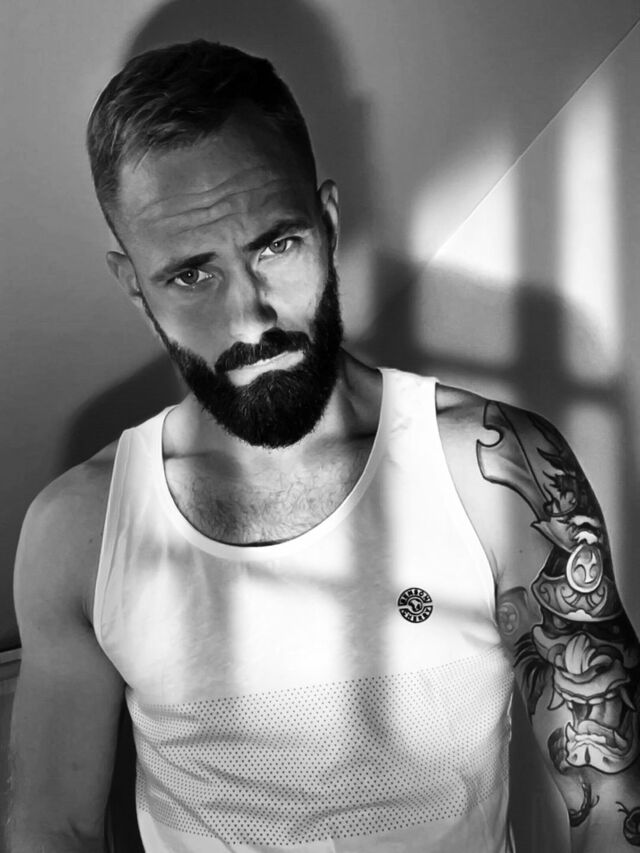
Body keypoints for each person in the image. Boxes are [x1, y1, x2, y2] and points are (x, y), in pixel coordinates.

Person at [8, 39, 640, 853]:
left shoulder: (497, 471)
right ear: (136, 286)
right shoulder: (78, 531)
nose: (250, 316)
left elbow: (614, 802)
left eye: (275, 245)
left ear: (328, 224)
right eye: (192, 275)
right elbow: (52, 826)